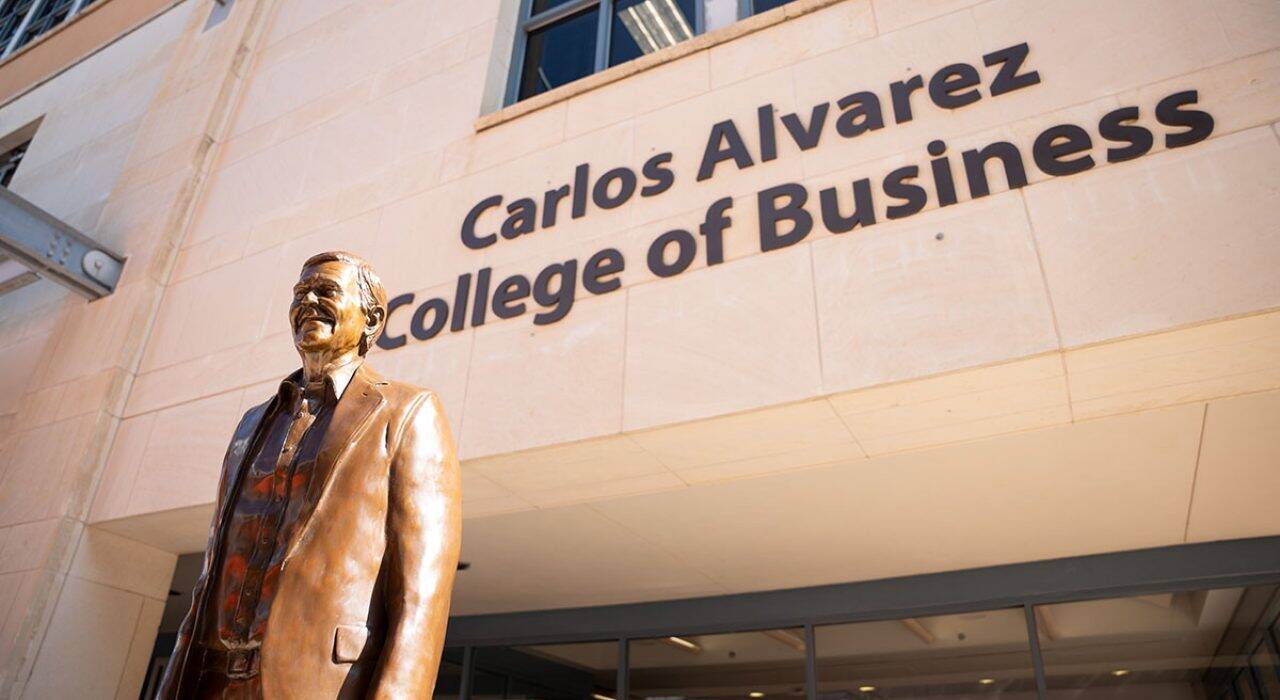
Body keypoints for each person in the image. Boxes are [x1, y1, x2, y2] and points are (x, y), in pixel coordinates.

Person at [158, 251, 461, 699]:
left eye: (327, 291)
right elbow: (211, 571)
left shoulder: (406, 412)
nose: (309, 301)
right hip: (213, 679)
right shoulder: (251, 423)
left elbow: (421, 597)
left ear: (372, 320)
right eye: (300, 293)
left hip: (322, 682)